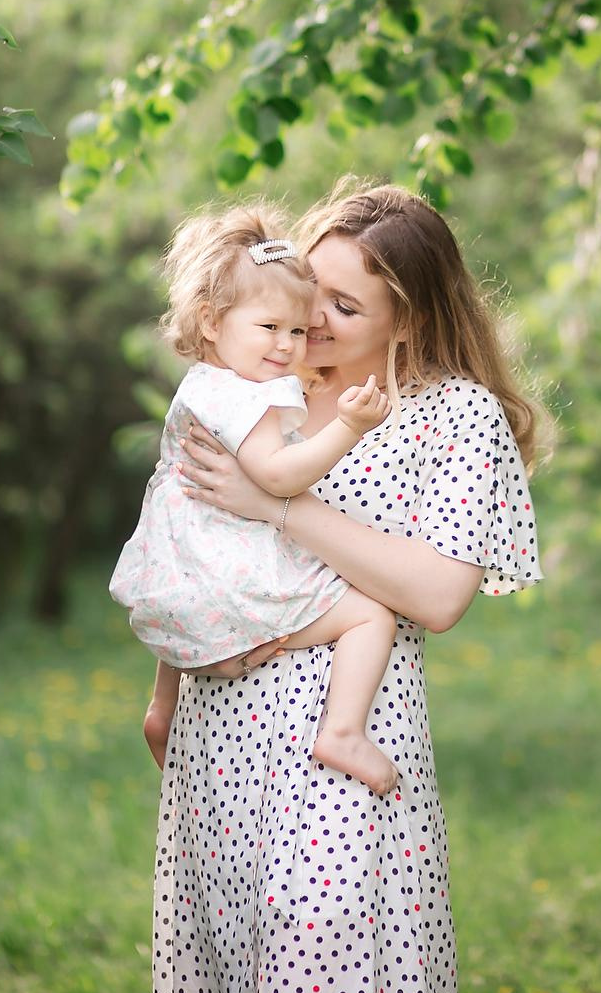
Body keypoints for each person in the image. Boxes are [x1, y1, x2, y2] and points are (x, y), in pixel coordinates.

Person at [152, 177, 545, 993]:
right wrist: (162, 696)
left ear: (413, 320)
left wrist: (280, 505)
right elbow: (183, 541)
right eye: (310, 289)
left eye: (345, 306)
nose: (313, 321)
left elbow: (439, 597)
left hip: (343, 738)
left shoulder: (456, 418)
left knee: (328, 965)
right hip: (218, 737)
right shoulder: (257, 386)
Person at [110, 203, 402, 795]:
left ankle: (162, 708)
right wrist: (347, 428)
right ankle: (343, 730)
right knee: (373, 612)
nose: (288, 345)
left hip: (181, 572)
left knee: (199, 560)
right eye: (269, 328)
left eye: (297, 330)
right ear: (212, 322)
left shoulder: (203, 383)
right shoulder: (252, 399)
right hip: (230, 580)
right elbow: (278, 477)